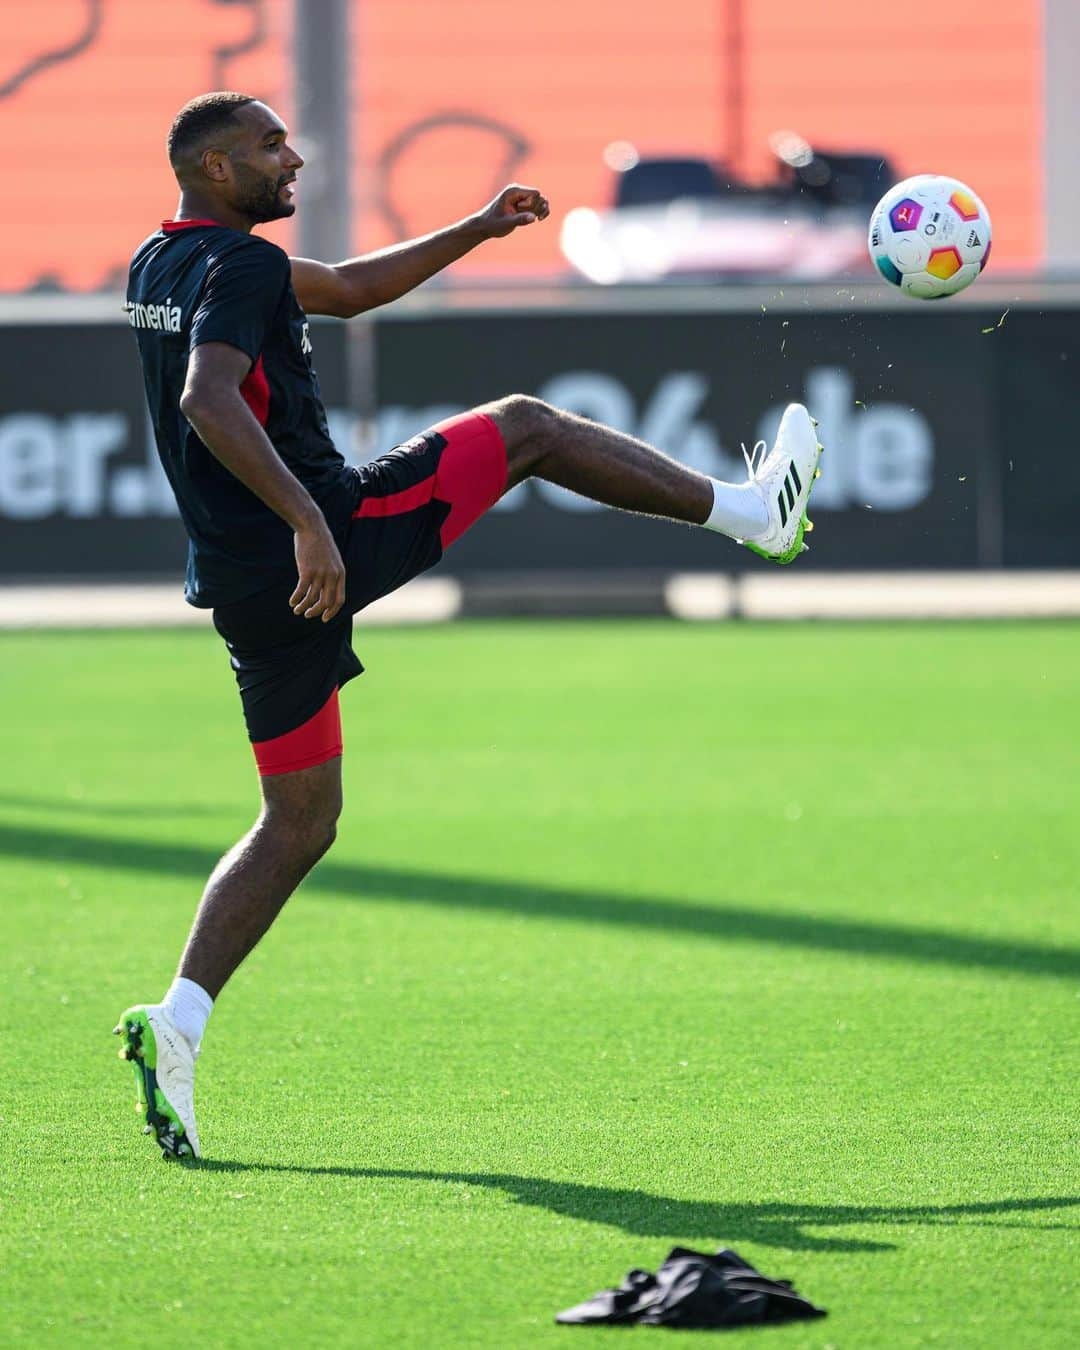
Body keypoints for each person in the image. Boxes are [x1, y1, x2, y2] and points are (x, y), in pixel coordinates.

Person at [116, 92, 823, 1159]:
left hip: (245, 582)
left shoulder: (160, 263)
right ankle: (752, 515)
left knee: (299, 822)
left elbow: (348, 292)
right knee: (529, 426)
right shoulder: (245, 268)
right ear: (216, 167)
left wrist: (478, 227)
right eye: (270, 145)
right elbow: (208, 402)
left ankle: (179, 1023)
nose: (292, 155)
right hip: (324, 541)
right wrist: (312, 521)